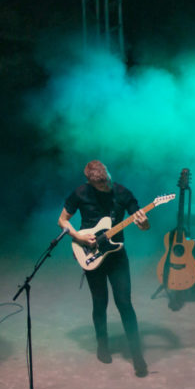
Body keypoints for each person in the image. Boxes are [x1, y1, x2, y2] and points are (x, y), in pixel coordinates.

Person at [59, 160, 150, 376]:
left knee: (125, 303)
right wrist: (77, 235)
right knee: (100, 303)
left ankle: (137, 355)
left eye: (108, 181)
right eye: (101, 185)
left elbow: (143, 224)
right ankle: (102, 345)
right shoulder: (80, 193)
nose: (106, 186)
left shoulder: (123, 192)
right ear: (90, 182)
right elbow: (62, 220)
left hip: (117, 255)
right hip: (91, 253)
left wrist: (144, 222)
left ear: (109, 173)